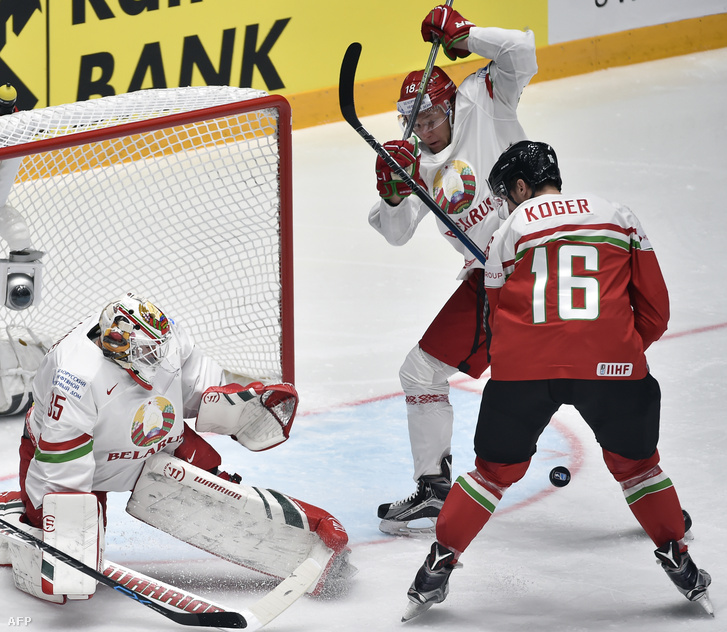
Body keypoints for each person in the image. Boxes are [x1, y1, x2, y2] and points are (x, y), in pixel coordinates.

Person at [402, 141, 713, 621]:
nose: (504, 204)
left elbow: (494, 317)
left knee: (490, 475)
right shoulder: (618, 215)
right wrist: (613, 353)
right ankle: (679, 559)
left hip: (525, 369)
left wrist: (525, 360)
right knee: (638, 469)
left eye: (506, 194)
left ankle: (437, 565)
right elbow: (656, 312)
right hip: (611, 365)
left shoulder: (509, 230)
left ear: (521, 186)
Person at [0, 292, 352, 602]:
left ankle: (305, 547)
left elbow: (199, 386)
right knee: (70, 577)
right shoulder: (75, 375)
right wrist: (66, 526)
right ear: (118, 344)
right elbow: (62, 461)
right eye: (147, 352)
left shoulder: (163, 340)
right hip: (80, 459)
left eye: (158, 348)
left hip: (153, 438)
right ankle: (16, 513)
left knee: (216, 492)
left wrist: (236, 406)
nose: (157, 358)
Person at [370, 4, 538, 536]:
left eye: (431, 118)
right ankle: (434, 488)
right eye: (415, 122)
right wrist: (392, 193)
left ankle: (642, 477)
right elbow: (395, 232)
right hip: (489, 278)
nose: (424, 130)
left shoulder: (484, 98)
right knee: (420, 373)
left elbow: (521, 51)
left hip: (529, 258)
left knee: (573, 376)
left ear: (449, 105)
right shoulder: (414, 160)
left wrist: (466, 36)